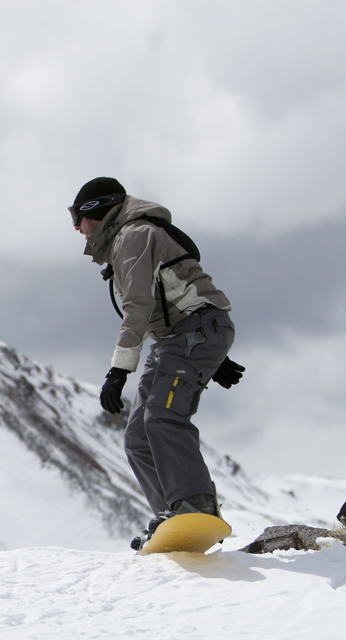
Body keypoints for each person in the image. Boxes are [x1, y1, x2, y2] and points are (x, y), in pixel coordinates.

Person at [69, 177, 245, 548]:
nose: (76, 228)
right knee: (137, 438)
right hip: (180, 338)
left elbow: (139, 306)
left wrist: (118, 370)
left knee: (164, 417)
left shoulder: (134, 236)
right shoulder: (125, 240)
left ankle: (193, 504)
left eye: (76, 217)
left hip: (192, 331)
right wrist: (216, 356)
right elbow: (171, 295)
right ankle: (173, 515)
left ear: (95, 212)